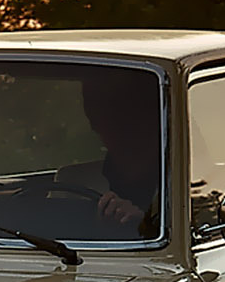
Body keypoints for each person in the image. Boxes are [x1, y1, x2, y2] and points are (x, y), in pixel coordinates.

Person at [57, 71, 161, 237]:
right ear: (93, 121)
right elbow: (54, 240)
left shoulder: (182, 185)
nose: (123, 122)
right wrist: (98, 228)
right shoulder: (72, 182)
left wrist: (143, 227)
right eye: (108, 112)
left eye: (131, 110)